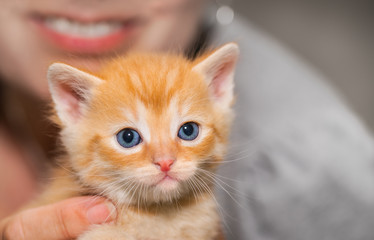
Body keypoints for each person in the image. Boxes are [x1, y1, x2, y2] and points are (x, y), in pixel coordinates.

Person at [1, 0, 374, 239]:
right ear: (72, 106)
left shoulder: (303, 165)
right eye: (130, 137)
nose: (165, 159)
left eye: (187, 131)